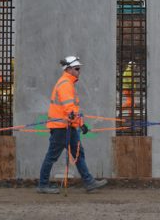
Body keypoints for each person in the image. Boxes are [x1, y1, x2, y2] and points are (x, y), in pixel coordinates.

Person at [37, 56, 108, 194]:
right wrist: (79, 123)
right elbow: (69, 109)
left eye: (79, 68)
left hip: (67, 126)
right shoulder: (65, 84)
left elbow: (71, 110)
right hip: (62, 128)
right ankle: (43, 184)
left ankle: (89, 182)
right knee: (52, 156)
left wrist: (79, 124)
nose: (79, 71)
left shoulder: (67, 83)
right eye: (77, 68)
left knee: (78, 154)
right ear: (68, 69)